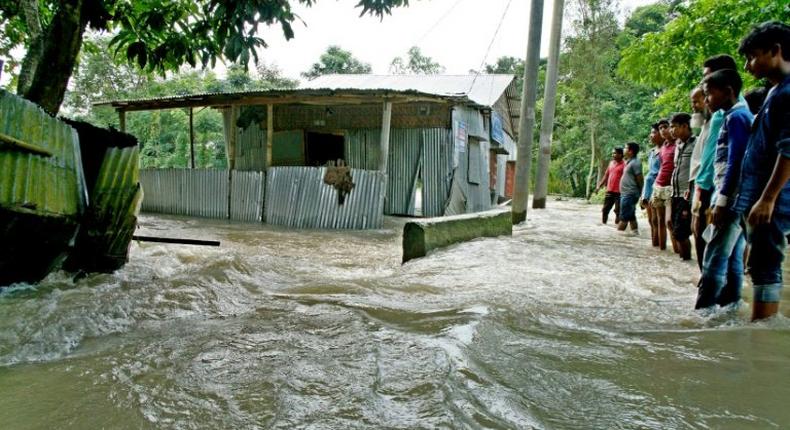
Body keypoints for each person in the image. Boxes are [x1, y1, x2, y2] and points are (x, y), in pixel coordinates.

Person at [735, 21, 790, 320]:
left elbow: (789, 150)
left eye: (753, 56)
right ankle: (761, 327)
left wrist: (768, 198)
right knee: (760, 264)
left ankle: (763, 329)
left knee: (766, 265)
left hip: (773, 200)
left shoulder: (787, 92)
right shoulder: (774, 91)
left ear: (776, 51)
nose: (748, 65)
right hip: (762, 195)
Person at [695, 68, 754, 310]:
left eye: (709, 94)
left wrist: (721, 201)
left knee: (715, 257)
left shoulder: (736, 118)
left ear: (728, 91)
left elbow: (735, 162)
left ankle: (704, 311)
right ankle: (730, 306)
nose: (706, 100)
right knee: (732, 259)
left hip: (730, 199)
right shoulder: (737, 115)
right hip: (736, 197)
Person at [689, 87, 712, 270]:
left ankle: (708, 277)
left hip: (708, 188)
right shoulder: (705, 125)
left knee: (703, 232)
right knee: (697, 231)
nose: (694, 107)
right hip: (699, 187)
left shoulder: (720, 121)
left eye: (696, 102)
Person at [669, 113, 696, 260]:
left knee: (680, 233)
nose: (671, 130)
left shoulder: (696, 143)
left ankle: (687, 260)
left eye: (674, 126)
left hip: (687, 195)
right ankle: (684, 261)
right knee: (676, 230)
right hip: (675, 194)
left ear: (685, 126)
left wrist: (690, 194)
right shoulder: (678, 145)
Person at [651, 119, 675, 251]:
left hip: (671, 188)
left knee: (669, 222)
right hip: (658, 186)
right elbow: (662, 168)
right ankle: (662, 251)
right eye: (660, 128)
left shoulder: (677, 145)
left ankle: (678, 251)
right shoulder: (663, 147)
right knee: (659, 220)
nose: (663, 130)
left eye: (666, 127)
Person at [642, 123, 663, 247]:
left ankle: (660, 245)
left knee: (657, 220)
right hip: (648, 188)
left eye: (654, 132)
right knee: (651, 220)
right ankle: (654, 246)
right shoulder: (652, 152)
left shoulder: (664, 151)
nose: (651, 135)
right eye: (651, 132)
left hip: (658, 187)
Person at [618, 142, 643, 235]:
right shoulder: (629, 161)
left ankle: (617, 239)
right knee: (631, 216)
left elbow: (640, 179)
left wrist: (642, 194)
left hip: (630, 194)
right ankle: (635, 233)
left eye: (625, 148)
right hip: (627, 194)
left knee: (624, 218)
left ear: (630, 151)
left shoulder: (635, 163)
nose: (623, 149)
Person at [596, 147, 625, 225]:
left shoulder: (625, 165)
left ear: (620, 154)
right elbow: (606, 175)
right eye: (612, 153)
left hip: (620, 192)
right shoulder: (611, 163)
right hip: (609, 191)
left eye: (615, 153)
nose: (613, 155)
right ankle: (604, 225)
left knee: (618, 211)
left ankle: (617, 229)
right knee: (605, 210)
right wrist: (599, 186)